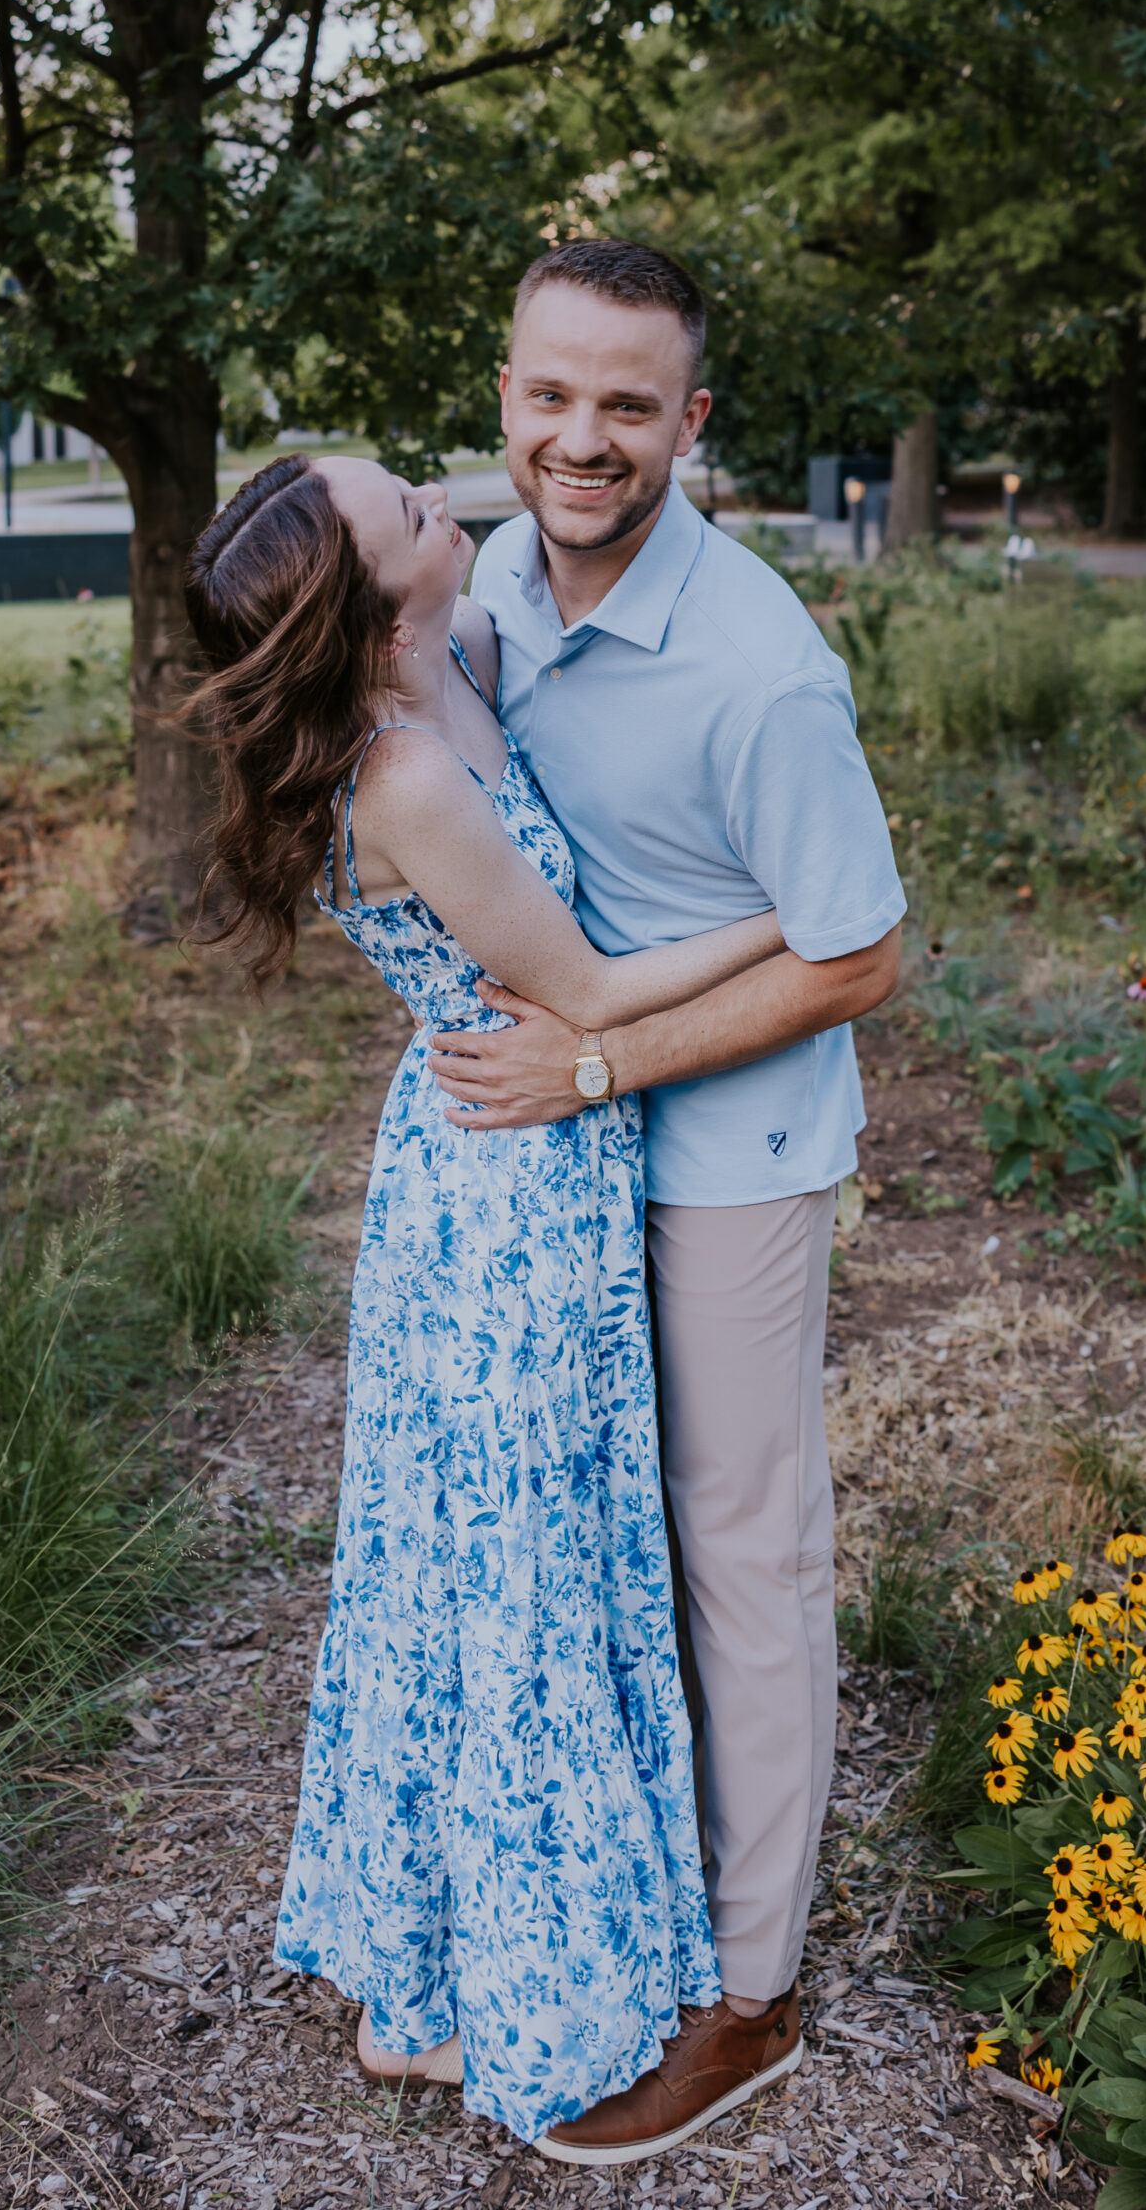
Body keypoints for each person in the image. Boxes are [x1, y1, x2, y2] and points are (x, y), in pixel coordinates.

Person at [181, 452, 796, 2148]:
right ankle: (483, 1992)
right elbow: (589, 983)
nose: (448, 507)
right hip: (508, 1181)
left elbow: (512, 530)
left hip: (536, 1145)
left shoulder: (451, 653)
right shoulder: (401, 780)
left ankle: (422, 1973)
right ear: (372, 605)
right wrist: (784, 926)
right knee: (508, 1565)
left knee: (477, 1557)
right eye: (409, 514)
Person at [434, 239, 906, 2165]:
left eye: (630, 404)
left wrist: (604, 1062)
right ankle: (621, 1902)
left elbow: (861, 954)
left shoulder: (764, 671)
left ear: (690, 426)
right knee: (597, 1540)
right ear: (507, 399)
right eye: (553, 394)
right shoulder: (483, 582)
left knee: (740, 1552)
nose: (583, 437)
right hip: (561, 1148)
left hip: (720, 1155)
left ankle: (751, 1989)